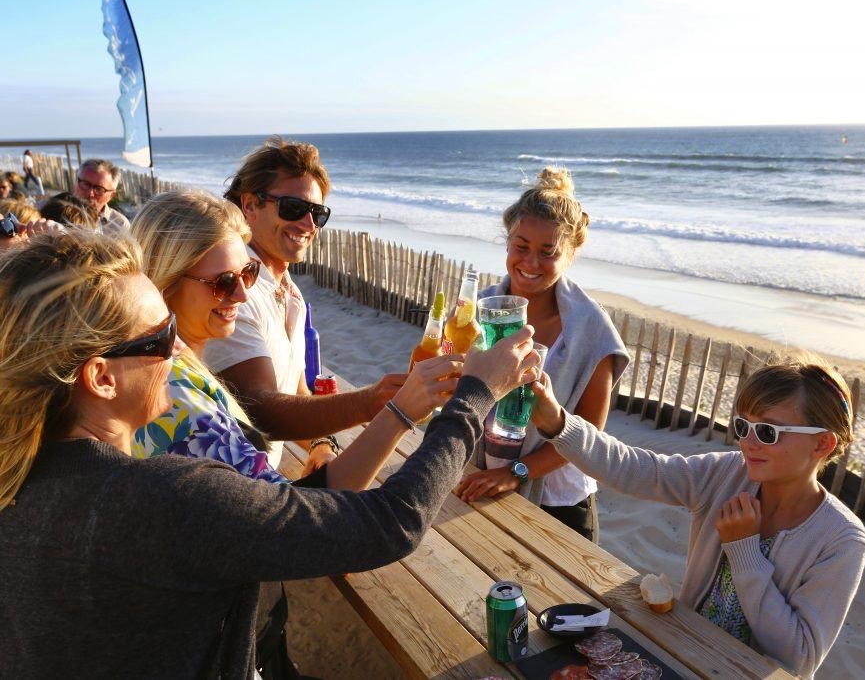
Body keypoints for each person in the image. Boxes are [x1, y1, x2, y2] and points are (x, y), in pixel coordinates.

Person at [0, 228, 540, 678]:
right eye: (160, 337)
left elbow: (271, 515)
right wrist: (475, 396)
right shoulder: (161, 497)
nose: (179, 350)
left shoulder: (27, 480)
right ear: (101, 378)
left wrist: (396, 414)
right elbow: (392, 522)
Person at [530, 356, 865, 677]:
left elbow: (800, 657)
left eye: (768, 432)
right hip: (682, 656)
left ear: (822, 444)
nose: (748, 443)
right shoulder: (726, 474)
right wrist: (559, 424)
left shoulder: (840, 539)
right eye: (742, 426)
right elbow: (639, 470)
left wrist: (745, 550)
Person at [205, 137, 406, 468]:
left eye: (318, 213)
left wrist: (321, 444)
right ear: (250, 206)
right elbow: (261, 410)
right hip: (232, 485)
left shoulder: (286, 289)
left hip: (264, 479)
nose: (309, 225)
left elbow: (296, 392)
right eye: (293, 208)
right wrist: (370, 401)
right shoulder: (233, 289)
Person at [454, 167, 629, 542]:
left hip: (559, 499)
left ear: (570, 254)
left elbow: (588, 432)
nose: (530, 263)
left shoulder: (590, 331)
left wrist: (515, 472)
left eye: (548, 253)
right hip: (480, 476)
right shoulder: (480, 309)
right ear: (507, 243)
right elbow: (449, 381)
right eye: (521, 247)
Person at [74, 158, 131, 233]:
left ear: (111, 195)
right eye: (85, 184)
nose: (90, 193)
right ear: (76, 182)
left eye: (99, 189)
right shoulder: (56, 212)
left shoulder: (120, 226)